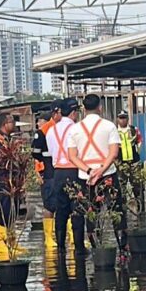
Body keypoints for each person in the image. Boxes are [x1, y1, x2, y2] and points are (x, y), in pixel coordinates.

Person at [66, 94, 124, 251]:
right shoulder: (109, 126)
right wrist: (101, 170)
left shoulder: (75, 129)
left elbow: (72, 156)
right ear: (100, 107)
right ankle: (123, 250)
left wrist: (90, 171)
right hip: (108, 174)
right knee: (116, 212)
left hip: (86, 177)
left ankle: (97, 250)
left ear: (84, 109)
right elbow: (114, 153)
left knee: (91, 214)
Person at [47, 97, 84, 254]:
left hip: (58, 173)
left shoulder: (51, 130)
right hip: (74, 171)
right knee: (77, 210)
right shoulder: (77, 129)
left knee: (61, 211)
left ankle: (61, 247)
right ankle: (79, 247)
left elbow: (51, 152)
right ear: (74, 113)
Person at [0, 113, 26, 261]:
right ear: (5, 123)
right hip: (4, 180)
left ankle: (12, 242)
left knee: (14, 210)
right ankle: (0, 244)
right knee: (5, 210)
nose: (14, 124)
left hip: (13, 180)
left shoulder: (9, 140)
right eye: (11, 121)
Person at [115, 111, 144, 214]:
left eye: (124, 118)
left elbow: (140, 140)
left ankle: (140, 209)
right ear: (117, 119)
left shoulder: (133, 129)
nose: (123, 120)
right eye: (121, 118)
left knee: (137, 187)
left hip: (134, 163)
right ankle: (122, 210)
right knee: (121, 188)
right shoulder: (114, 131)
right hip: (120, 164)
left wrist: (138, 151)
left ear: (127, 119)